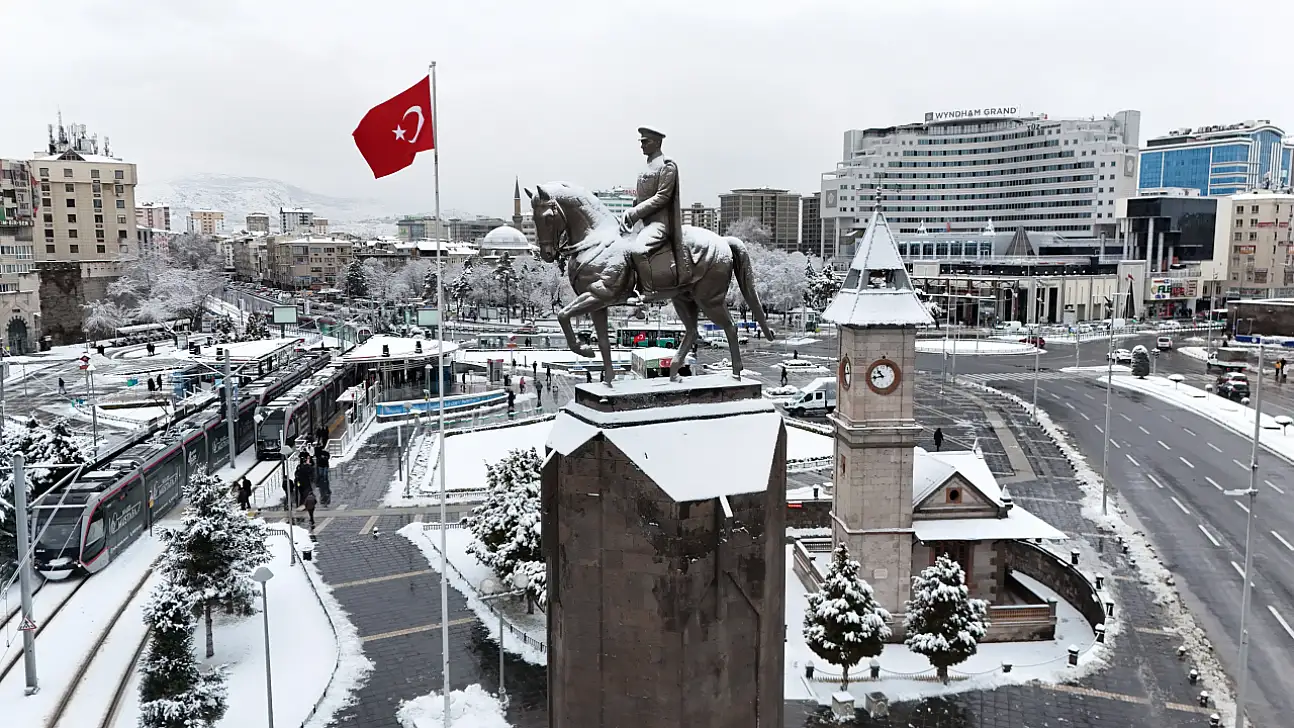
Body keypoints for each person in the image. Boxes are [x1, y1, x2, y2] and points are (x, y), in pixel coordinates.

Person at [620, 126, 691, 300]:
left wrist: (636, 212)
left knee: (638, 250)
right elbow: (641, 197)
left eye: (646, 142)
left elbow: (662, 197)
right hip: (642, 223)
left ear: (657, 143)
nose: (642, 145)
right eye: (641, 142)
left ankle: (648, 291)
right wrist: (630, 213)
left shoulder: (667, 166)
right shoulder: (646, 167)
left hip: (659, 224)